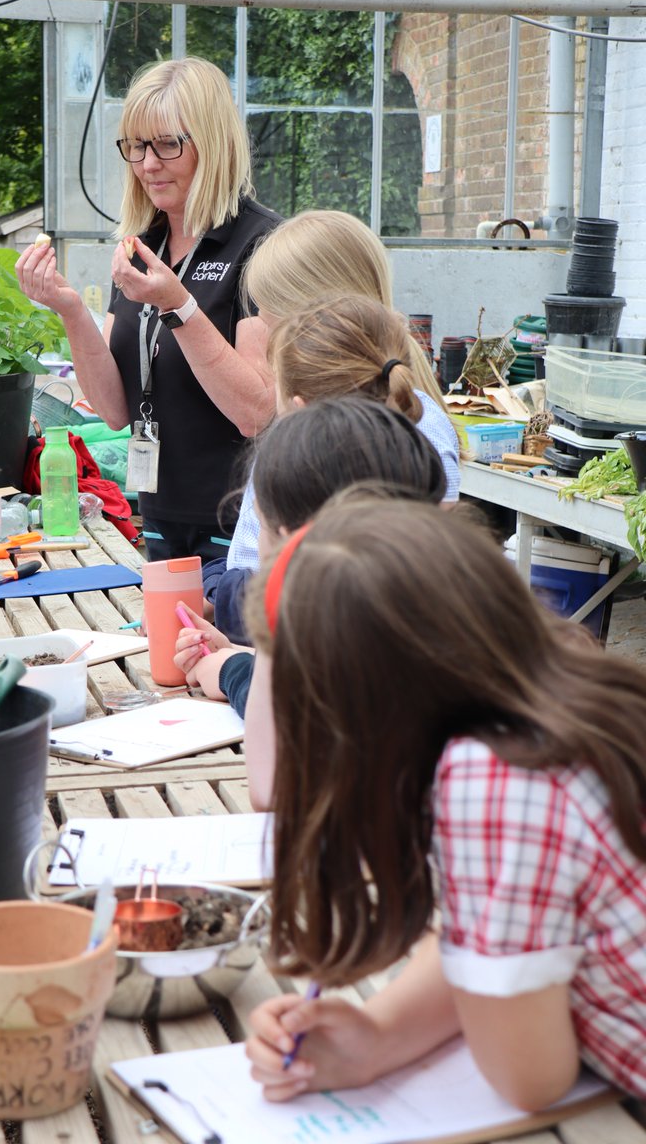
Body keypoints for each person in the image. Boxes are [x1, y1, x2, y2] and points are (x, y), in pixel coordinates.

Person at [243, 491, 646, 1106]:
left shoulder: (491, 779)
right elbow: (491, 935)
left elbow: (530, 1077)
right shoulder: (563, 696)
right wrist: (379, 1036)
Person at [16, 56, 281, 562]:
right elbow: (115, 410)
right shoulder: (146, 246)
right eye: (136, 147)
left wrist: (177, 304)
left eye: (167, 144)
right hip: (159, 517)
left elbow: (256, 412)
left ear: (214, 143)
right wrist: (70, 310)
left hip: (241, 524)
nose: (147, 164)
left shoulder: (261, 244)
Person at [206, 291, 461, 641]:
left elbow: (281, 618)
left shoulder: (301, 475)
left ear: (299, 406)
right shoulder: (414, 452)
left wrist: (226, 669)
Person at [174, 394, 446, 714]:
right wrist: (238, 653)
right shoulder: (425, 597)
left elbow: (297, 705)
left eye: (259, 524)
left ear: (293, 542)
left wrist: (230, 671)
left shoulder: (366, 626)